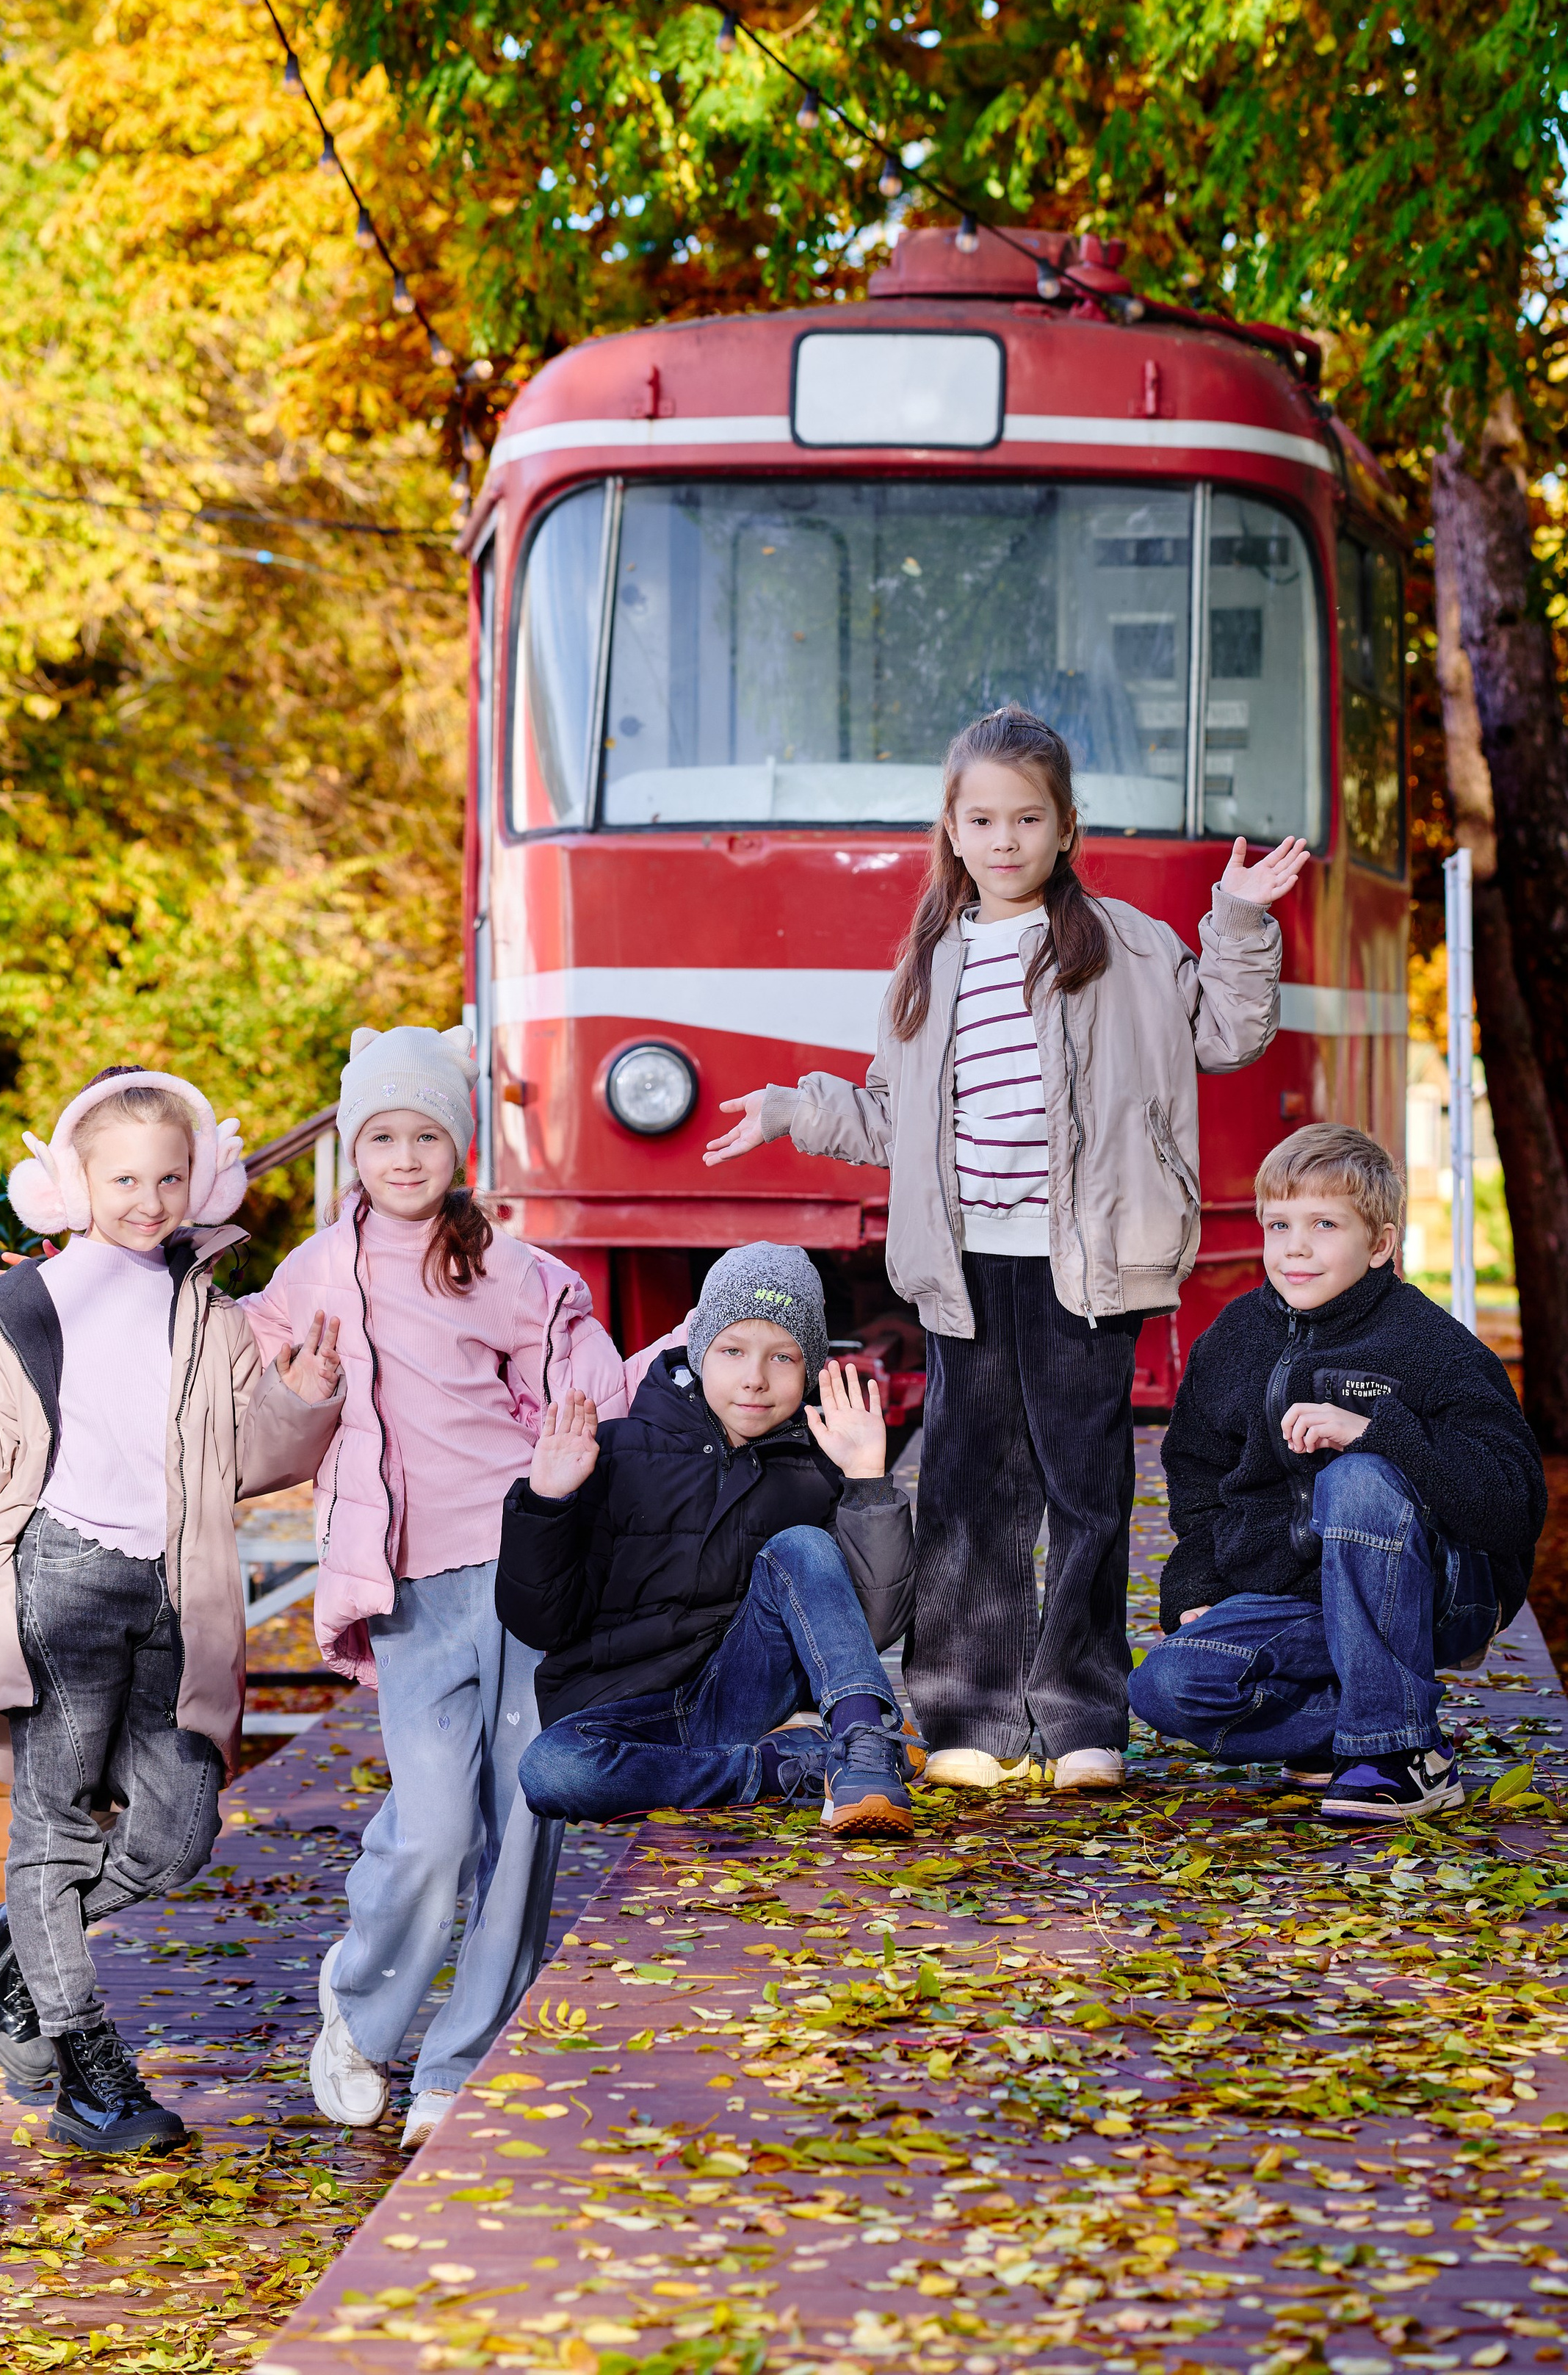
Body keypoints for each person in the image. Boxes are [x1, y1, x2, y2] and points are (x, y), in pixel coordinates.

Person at [705, 704, 1302, 1793]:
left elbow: (1228, 1030)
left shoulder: (1124, 945)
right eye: (983, 819)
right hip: (967, 1267)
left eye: (1029, 817)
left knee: (1085, 1491)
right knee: (972, 1490)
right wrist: (796, 1108)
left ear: (1068, 826)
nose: (1006, 840)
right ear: (953, 826)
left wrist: (1239, 918)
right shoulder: (930, 960)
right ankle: (970, 1713)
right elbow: (893, 1116)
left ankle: (1082, 1720)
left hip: (1089, 1263)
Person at [0, 1064, 345, 2155]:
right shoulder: (16, 1306)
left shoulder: (206, 1307)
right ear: (75, 1183)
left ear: (199, 1181)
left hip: (173, 1585)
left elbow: (245, 1456)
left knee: (180, 1835)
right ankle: (87, 2068)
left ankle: (8, 1940)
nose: (149, 1199)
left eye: (170, 1177)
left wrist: (306, 1397)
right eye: (125, 1178)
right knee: (57, 1822)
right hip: (66, 1576)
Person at [242, 1024, 651, 2152]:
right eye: (382, 1136)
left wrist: (581, 1438)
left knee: (525, 1814)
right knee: (430, 1827)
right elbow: (248, 1367)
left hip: (522, 1561)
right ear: (353, 1149)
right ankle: (360, 2007)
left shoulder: (506, 1268)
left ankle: (465, 2056)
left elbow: (579, 1364)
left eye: (426, 1135)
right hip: (410, 1583)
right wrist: (296, 1379)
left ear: (457, 1148)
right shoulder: (314, 1272)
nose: (405, 1158)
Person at [1128, 1122, 1545, 1822]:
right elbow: (1198, 1479)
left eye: (1325, 1224)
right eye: (1279, 1224)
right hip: (1293, 1603)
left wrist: (1379, 1435)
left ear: (1380, 1245)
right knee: (1166, 1688)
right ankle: (1361, 1732)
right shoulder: (1232, 1340)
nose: (1295, 1246)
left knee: (1355, 1479)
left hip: (1434, 1592)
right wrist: (1197, 1589)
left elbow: (1513, 1503)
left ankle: (1397, 1754)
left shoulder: (1429, 1344)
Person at [506, 1243, 921, 1839]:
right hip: (619, 1712)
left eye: (782, 1357)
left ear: (810, 1370)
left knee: (802, 1545)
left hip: (740, 1692)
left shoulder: (817, 1466)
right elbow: (540, 1624)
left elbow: (870, 1626)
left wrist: (866, 1482)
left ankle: (866, 1751)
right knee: (552, 1770)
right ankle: (785, 1771)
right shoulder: (617, 1453)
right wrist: (546, 1504)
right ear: (700, 1351)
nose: (754, 1379)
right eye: (732, 1351)